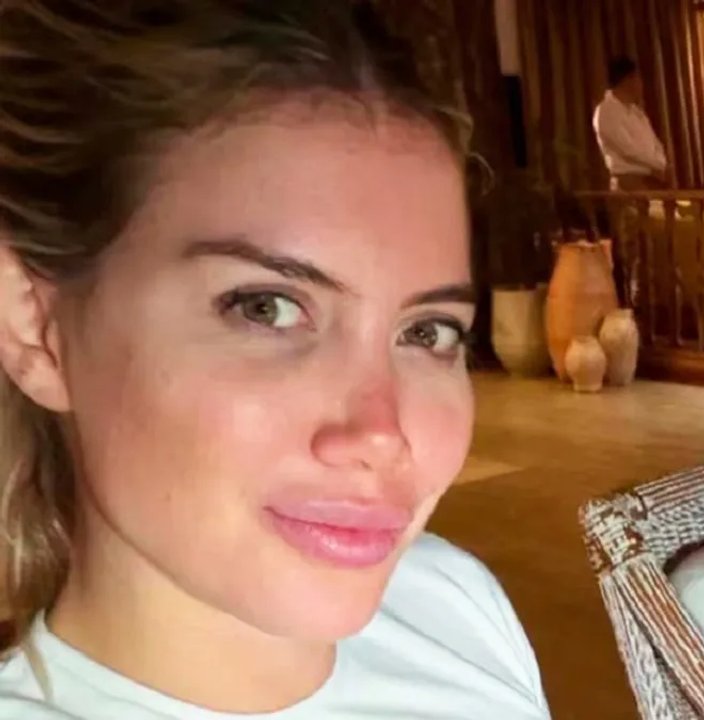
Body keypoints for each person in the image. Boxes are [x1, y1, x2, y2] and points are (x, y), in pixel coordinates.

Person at [0, 2, 548, 718]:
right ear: (35, 325)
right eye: (267, 308)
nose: (382, 434)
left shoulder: (450, 611)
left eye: (428, 332)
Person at [592, 56, 671, 191]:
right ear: (627, 80)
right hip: (628, 181)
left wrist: (661, 163)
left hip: (652, 178)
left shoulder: (636, 112)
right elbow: (627, 149)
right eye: (637, 78)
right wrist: (657, 165)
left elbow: (655, 143)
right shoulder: (606, 111)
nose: (641, 84)